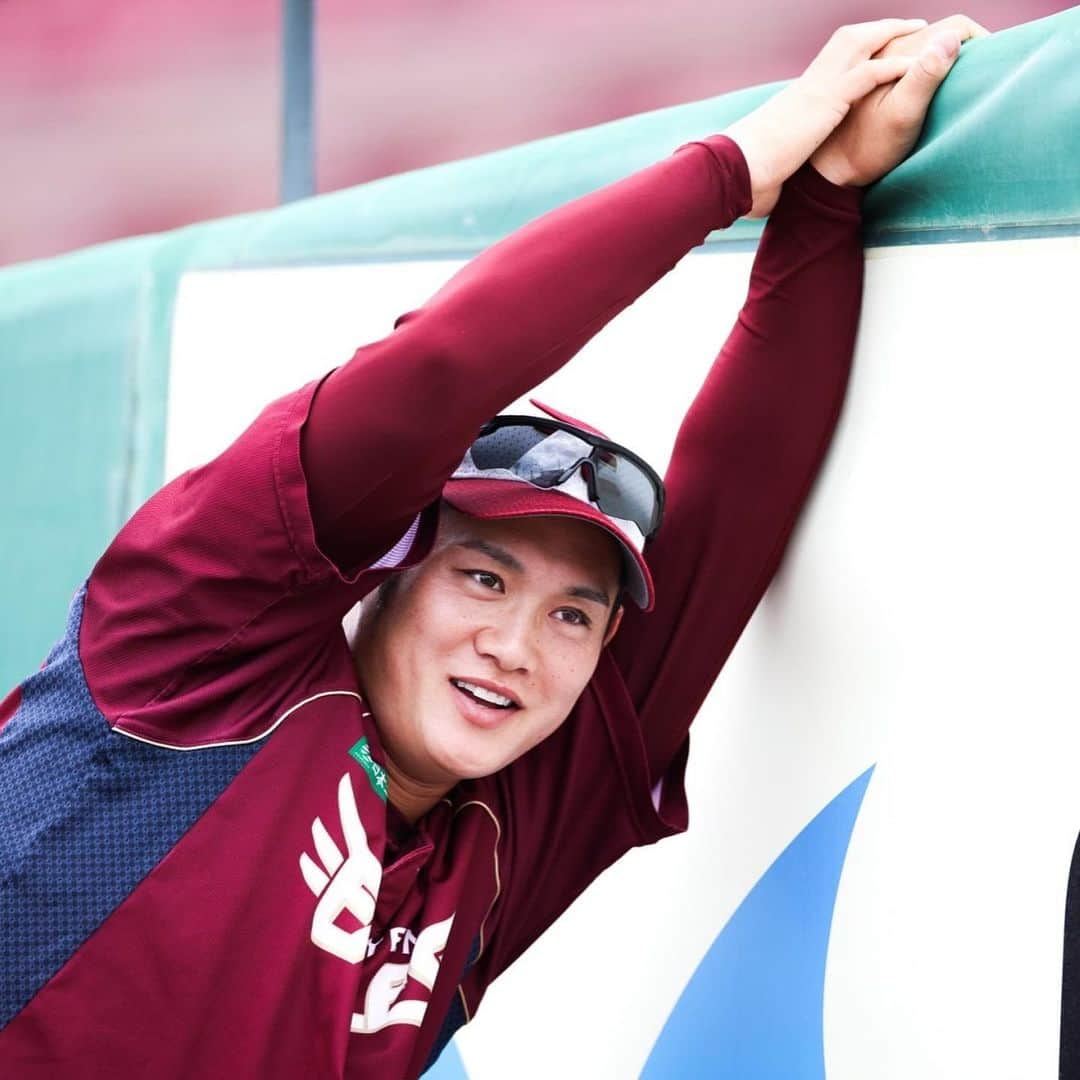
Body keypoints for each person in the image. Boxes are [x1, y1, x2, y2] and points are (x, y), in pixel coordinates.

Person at [0, 16, 983, 1079]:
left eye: (572, 615)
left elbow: (733, 515)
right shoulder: (196, 657)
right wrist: (734, 169)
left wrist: (830, 205)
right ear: (384, 573)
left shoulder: (510, 831)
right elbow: (441, 368)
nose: (517, 645)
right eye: (482, 576)